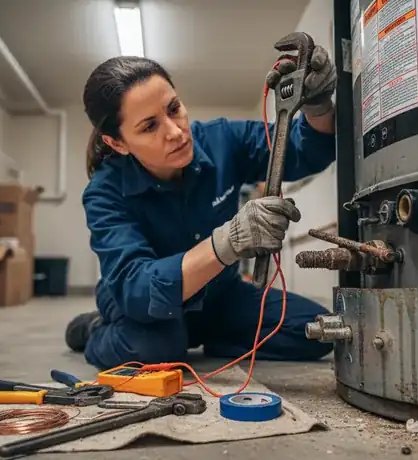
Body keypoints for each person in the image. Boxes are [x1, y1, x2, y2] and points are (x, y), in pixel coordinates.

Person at [65, 39, 339, 371]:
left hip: (219, 293)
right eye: (150, 126)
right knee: (157, 349)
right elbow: (136, 288)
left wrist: (319, 106)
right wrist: (229, 241)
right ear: (117, 143)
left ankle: (208, 332)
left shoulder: (222, 139)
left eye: (173, 108)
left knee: (317, 331)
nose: (175, 132)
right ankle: (95, 329)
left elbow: (301, 151)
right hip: (140, 304)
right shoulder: (104, 191)